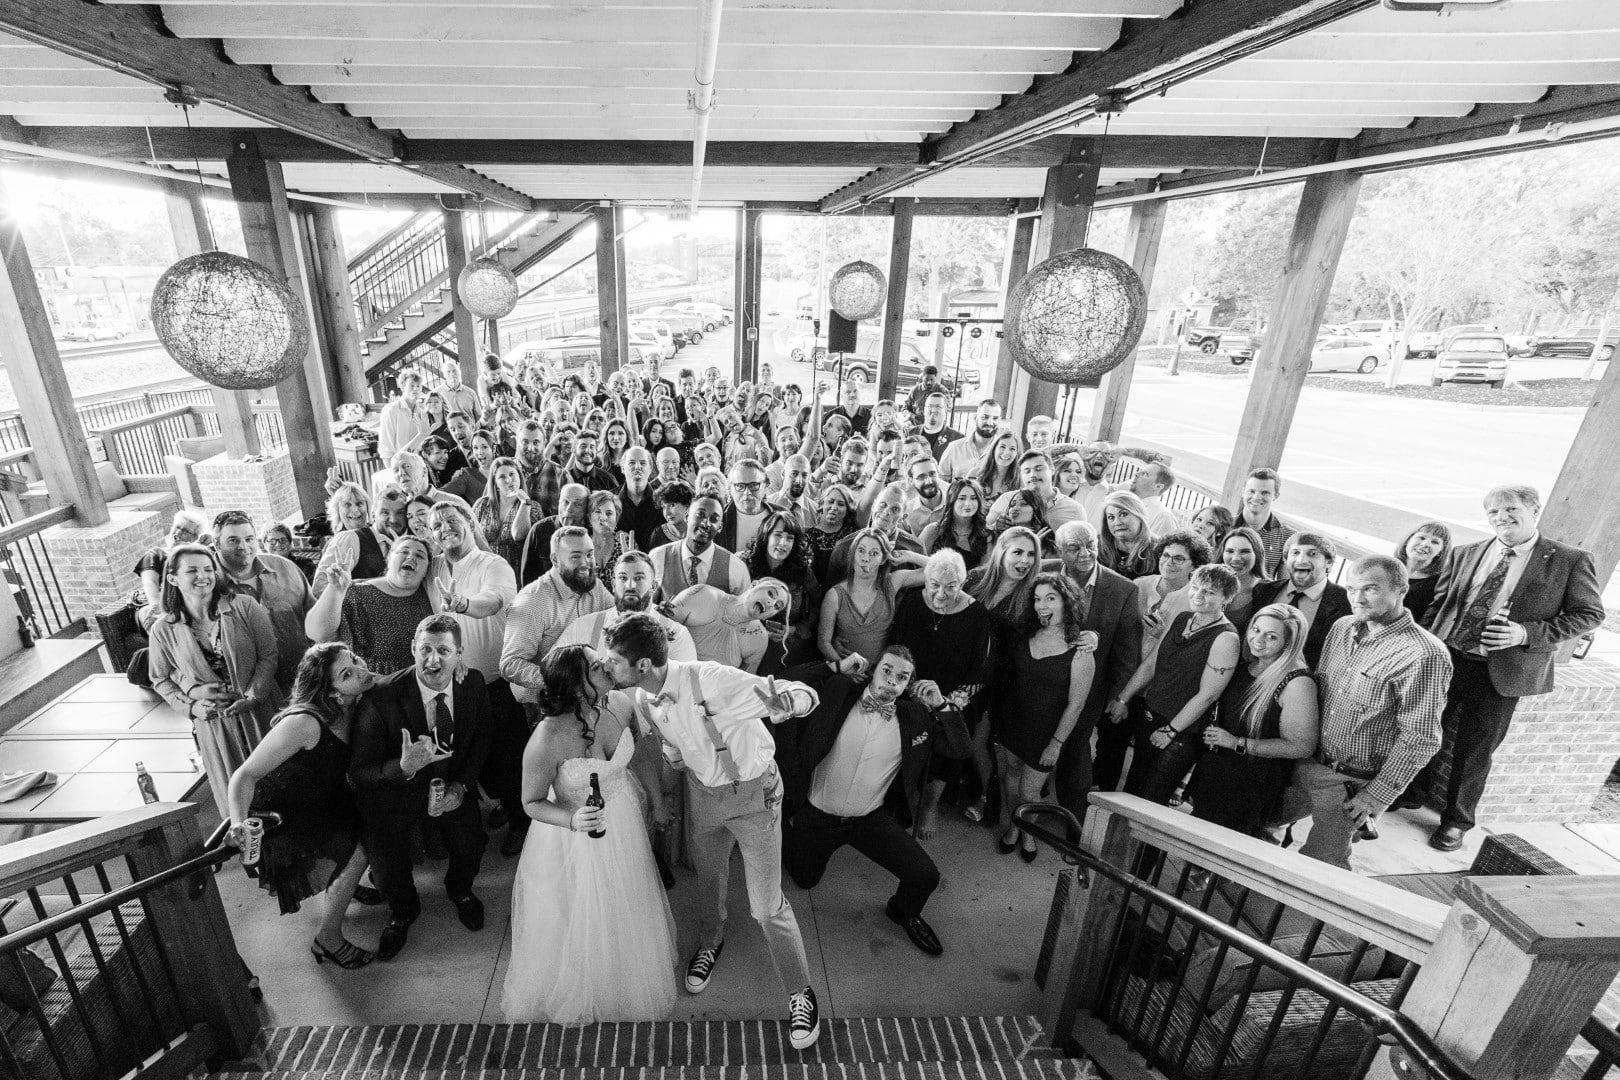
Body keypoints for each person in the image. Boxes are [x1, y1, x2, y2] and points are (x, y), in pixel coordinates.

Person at [599, 614, 824, 1050]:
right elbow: (669, 739)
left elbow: (799, 693)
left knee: (765, 907)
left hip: (753, 797)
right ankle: (709, 942)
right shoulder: (644, 698)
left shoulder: (714, 680)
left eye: (613, 662)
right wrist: (677, 754)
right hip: (702, 795)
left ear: (643, 664)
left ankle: (800, 992)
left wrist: (791, 703)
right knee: (709, 875)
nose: (608, 669)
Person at [1413, 485, 1604, 851]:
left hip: (1500, 671)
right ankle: (1411, 793)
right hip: (1448, 659)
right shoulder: (1466, 553)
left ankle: (1456, 821)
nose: (1501, 517)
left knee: (1475, 749)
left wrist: (1525, 633)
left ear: (1534, 509)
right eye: (1493, 512)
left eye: (1510, 509)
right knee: (1425, 731)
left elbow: (1590, 614)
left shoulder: (1569, 559)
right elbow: (1439, 605)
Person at [502, 645, 678, 1022]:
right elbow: (530, 802)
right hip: (576, 834)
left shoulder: (620, 703)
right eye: (596, 666)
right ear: (576, 685)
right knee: (580, 912)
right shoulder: (546, 740)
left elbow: (644, 750)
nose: (607, 666)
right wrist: (572, 820)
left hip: (624, 815)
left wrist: (656, 800)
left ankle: (625, 966)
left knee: (626, 896)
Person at [777, 648, 946, 957]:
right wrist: (834, 666)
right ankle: (787, 830)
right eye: (887, 670)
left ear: (908, 684)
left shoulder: (915, 717)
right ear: (873, 670)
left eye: (902, 677)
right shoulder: (839, 691)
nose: (892, 681)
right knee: (804, 879)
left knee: (926, 875)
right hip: (817, 816)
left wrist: (943, 705)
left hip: (869, 819)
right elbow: (783, 681)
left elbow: (958, 749)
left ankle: (903, 913)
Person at [350, 615, 494, 960]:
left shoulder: (472, 683)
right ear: (412, 649)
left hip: (452, 786)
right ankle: (403, 911)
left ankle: (460, 891)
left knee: (472, 842)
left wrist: (462, 786)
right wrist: (401, 767)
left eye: (444, 650)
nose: (433, 660)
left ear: (460, 653)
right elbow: (359, 773)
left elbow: (481, 739)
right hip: (394, 795)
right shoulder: (381, 697)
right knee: (386, 867)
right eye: (425, 649)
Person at [225, 643, 375, 967]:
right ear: (332, 692)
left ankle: (341, 885)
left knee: (371, 823)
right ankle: (328, 940)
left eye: (355, 660)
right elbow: (245, 775)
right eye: (347, 673)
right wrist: (237, 822)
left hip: (319, 797)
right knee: (359, 851)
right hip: (280, 815)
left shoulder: (357, 700)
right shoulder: (305, 723)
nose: (360, 670)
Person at [1296, 556, 1450, 870]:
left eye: (1370, 589)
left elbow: (1420, 739)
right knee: (1263, 819)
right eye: (1352, 588)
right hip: (1307, 760)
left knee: (1322, 864)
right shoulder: (1342, 628)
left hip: (1352, 783)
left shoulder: (1425, 654)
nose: (1358, 598)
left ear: (1401, 590)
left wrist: (1376, 796)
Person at [149, 543, 282, 819]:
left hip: (260, 711)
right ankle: (253, 851)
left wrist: (253, 696)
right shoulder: (163, 629)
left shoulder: (242, 606)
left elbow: (269, 654)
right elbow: (160, 678)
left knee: (279, 778)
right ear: (173, 579)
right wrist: (192, 706)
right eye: (192, 570)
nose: (203, 576)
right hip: (214, 723)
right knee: (236, 795)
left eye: (208, 569)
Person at [430, 502, 526, 858]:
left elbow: (494, 600)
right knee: (478, 759)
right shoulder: (435, 566)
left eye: (452, 520)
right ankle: (503, 802)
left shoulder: (493, 563)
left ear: (470, 522)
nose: (444, 529)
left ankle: (522, 821)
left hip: (496, 681)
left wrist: (462, 602)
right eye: (436, 525)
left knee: (509, 755)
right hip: (457, 686)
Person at [1110, 564, 1242, 804]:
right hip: (1150, 717)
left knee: (1151, 800)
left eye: (1210, 592)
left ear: (1227, 598)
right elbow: (1152, 663)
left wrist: (1171, 730)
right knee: (1131, 790)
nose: (1199, 595)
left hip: (1181, 732)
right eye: (1196, 588)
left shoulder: (1226, 638)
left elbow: (1208, 696)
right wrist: (1123, 698)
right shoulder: (1183, 618)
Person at [1187, 604, 1319, 838]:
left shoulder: (1297, 683)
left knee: (1226, 859)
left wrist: (1237, 742)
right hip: (1217, 773)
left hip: (1253, 786)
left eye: (1271, 636)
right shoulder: (1247, 666)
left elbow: (1301, 745)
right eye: (1255, 630)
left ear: (1290, 643)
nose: (1257, 640)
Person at [991, 574, 1096, 862]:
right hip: (1012, 723)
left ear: (1067, 601)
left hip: (1045, 734)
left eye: (1051, 598)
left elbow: (1076, 705)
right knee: (1009, 778)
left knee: (1029, 792)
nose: (1042, 605)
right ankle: (1016, 826)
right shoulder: (1025, 633)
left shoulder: (1081, 649)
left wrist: (1056, 744)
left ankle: (1028, 833)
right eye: (1037, 599)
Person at [892, 550, 993, 841]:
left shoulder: (976, 614)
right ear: (926, 580)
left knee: (950, 738)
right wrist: (910, 689)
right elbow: (896, 649)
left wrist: (946, 702)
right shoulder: (912, 603)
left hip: (951, 696)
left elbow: (980, 670)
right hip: (910, 689)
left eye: (951, 586)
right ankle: (899, 797)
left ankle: (929, 806)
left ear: (962, 583)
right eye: (934, 584)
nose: (941, 592)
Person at [1050, 521, 1143, 809]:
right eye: (1074, 547)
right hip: (1039, 681)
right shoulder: (1041, 574)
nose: (1085, 553)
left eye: (1090, 544)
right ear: (1058, 550)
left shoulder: (1123, 589)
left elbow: (1127, 652)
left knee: (1075, 752)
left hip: (1089, 690)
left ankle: (1073, 816)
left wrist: (1119, 696)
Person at [502, 527, 614, 711]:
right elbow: (510, 664)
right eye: (575, 557)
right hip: (544, 702)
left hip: (589, 695)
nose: (586, 563)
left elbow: (617, 621)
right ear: (554, 560)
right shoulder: (531, 601)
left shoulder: (595, 586)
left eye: (590, 554)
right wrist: (563, 682)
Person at [306, 535, 440, 677]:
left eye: (420, 555)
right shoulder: (357, 592)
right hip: (374, 688)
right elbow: (318, 634)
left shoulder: (430, 596)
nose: (411, 557)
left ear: (426, 570)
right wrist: (335, 589)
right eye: (403, 552)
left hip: (420, 686)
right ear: (389, 560)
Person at [212, 509, 312, 688]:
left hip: (304, 679)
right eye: (233, 540)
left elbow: (313, 616)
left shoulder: (285, 568)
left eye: (249, 539)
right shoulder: (207, 584)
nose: (243, 546)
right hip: (250, 692)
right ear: (216, 544)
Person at [556, 550, 698, 662]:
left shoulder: (677, 635)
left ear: (654, 586)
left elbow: (685, 691)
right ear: (613, 585)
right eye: (623, 578)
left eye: (639, 578)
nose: (630, 585)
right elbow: (553, 671)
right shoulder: (583, 627)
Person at [1247, 532, 1352, 669]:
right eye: (1295, 553)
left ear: (1329, 562)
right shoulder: (1263, 591)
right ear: (1285, 560)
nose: (1301, 560)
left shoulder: (1345, 602)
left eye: (1313, 554)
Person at [740, 512, 821, 673]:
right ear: (766, 536)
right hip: (747, 637)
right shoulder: (744, 564)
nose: (783, 543)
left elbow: (818, 604)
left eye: (789, 538)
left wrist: (796, 629)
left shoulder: (802, 571)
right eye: (777, 535)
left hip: (787, 642)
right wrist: (759, 631)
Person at [667, 579, 790, 671]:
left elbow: (742, 684)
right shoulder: (703, 594)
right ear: (753, 585)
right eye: (771, 594)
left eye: (777, 606)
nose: (771, 603)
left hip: (710, 700)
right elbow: (658, 632)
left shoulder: (759, 638)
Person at [650, 495, 750, 596]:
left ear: (720, 527)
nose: (705, 523)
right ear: (686, 516)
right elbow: (646, 606)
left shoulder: (735, 567)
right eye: (700, 515)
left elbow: (745, 609)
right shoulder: (658, 557)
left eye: (714, 519)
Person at [314, 483, 401, 596]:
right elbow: (320, 588)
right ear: (337, 510)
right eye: (347, 505)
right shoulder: (346, 538)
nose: (355, 510)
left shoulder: (379, 534)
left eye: (359, 504)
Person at [132, 510, 207, 629]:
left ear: (194, 538)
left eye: (185, 531)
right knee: (152, 615)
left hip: (185, 603)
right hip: (157, 602)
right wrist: (157, 608)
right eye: (177, 527)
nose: (178, 533)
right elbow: (150, 583)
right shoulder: (156, 554)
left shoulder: (195, 557)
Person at [986, 451, 1085, 533]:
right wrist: (996, 527)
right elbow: (984, 532)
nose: (1032, 475)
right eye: (1027, 471)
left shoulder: (1075, 509)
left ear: (1052, 470)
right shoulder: (1007, 499)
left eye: (1038, 469)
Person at [518, 482, 590, 586]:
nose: (569, 509)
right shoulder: (539, 530)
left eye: (577, 504)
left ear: (586, 509)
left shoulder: (590, 533)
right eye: (565, 502)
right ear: (558, 503)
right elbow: (527, 578)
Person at [534, 430, 618, 517]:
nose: (587, 450)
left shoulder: (608, 479)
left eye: (592, 447)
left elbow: (616, 510)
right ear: (573, 449)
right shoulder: (562, 479)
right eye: (583, 446)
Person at [473, 456, 532, 576]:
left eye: (512, 474)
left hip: (517, 573)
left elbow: (519, 535)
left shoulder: (533, 506)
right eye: (502, 477)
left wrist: (525, 503)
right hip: (485, 571)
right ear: (495, 483)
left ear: (519, 477)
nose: (508, 480)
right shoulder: (482, 504)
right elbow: (470, 534)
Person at [1230, 468, 1293, 578]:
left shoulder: (1287, 536)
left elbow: (1284, 583)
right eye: (1251, 491)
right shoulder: (1224, 527)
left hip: (1262, 594)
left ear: (1275, 496)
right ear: (1243, 491)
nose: (1256, 497)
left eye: (1265, 493)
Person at [921, 477, 991, 569]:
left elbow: (984, 574)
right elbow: (916, 565)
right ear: (952, 501)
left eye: (973, 498)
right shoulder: (933, 530)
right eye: (962, 498)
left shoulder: (986, 535)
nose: (968, 503)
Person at [1394, 521, 1452, 620]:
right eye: (1421, 537)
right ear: (1408, 540)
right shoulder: (1387, 568)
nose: (1425, 544)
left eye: (1435, 542)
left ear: (1440, 552)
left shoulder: (1440, 584)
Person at [804, 484, 857, 585]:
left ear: (848, 509)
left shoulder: (852, 535)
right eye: (830, 502)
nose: (834, 507)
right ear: (822, 504)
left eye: (840, 504)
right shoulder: (807, 536)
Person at [1098, 490, 1158, 579]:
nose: (1117, 522)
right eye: (1111, 517)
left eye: (1123, 514)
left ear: (1139, 515)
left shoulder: (1159, 550)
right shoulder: (1096, 545)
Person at [939, 399, 1003, 483]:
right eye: (985, 417)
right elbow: (941, 483)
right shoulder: (954, 448)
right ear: (975, 417)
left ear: (1000, 420)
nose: (990, 422)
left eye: (995, 418)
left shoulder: (1004, 451)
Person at [1219, 526, 1269, 629]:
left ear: (1257, 554)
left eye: (1244, 551)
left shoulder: (1270, 591)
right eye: (1230, 551)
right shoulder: (1210, 582)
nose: (1236, 558)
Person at [719, 459, 772, 554]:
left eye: (754, 485)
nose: (747, 492)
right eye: (739, 486)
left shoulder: (781, 516)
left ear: (765, 487)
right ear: (730, 489)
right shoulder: (719, 520)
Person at [617, 446, 663, 552]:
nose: (637, 467)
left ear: (650, 469)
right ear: (622, 468)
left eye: (643, 463)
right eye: (632, 463)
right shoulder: (610, 501)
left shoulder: (664, 500)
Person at [377, 370, 428, 462]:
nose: (415, 389)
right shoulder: (391, 410)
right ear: (402, 387)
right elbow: (386, 448)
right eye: (411, 386)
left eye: (418, 386)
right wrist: (392, 470)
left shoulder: (422, 413)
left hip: (418, 464)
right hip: (398, 465)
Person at [1128, 462, 1181, 536]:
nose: (1136, 474)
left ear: (1158, 487)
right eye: (1140, 471)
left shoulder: (1163, 516)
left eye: (1145, 474)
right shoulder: (1127, 504)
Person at [585, 489, 630, 574]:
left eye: (609, 513)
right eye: (598, 512)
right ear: (589, 518)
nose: (603, 518)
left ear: (616, 518)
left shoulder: (626, 543)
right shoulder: (581, 546)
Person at [902, 454, 947, 536]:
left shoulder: (954, 503)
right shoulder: (906, 513)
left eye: (932, 474)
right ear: (910, 481)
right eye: (921, 477)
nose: (929, 481)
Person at [971, 430, 1023, 500]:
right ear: (994, 448)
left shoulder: (1021, 482)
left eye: (1012, 449)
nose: (1006, 452)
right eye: (1002, 447)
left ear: (1017, 453)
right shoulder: (974, 474)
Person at [916, 391, 961, 462]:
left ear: (945, 411)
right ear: (924, 410)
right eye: (930, 406)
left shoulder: (958, 439)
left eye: (938, 406)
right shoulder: (911, 433)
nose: (933, 410)